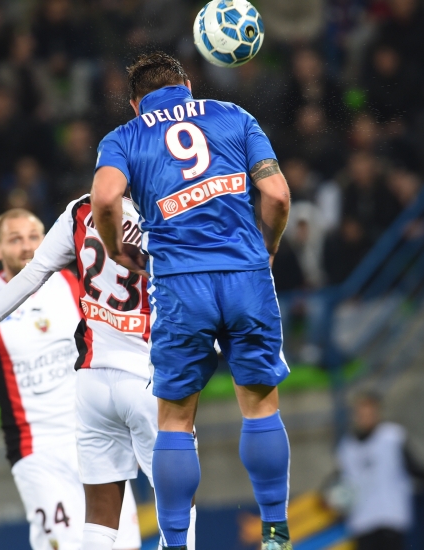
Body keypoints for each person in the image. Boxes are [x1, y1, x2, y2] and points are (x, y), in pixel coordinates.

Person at [90, 52, 292, 550]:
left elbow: (106, 197)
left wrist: (116, 247)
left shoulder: (125, 137)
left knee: (176, 420)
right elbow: (278, 195)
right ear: (186, 83)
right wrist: (266, 247)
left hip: (181, 286)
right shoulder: (234, 116)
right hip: (246, 276)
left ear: (137, 104)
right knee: (261, 406)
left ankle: (176, 545)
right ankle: (276, 533)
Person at [0, 196, 197, 550]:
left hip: (92, 385)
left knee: (101, 518)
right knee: (177, 495)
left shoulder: (80, 210)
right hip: (144, 375)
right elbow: (194, 286)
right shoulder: (165, 210)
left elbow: (33, 271)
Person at [0, 209, 141, 550]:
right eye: (15, 239)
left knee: (124, 545)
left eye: (34, 237)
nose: (27, 247)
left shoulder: (73, 283)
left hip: (95, 436)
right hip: (36, 452)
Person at [335, 391, 424, 550]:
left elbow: (413, 465)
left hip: (390, 515)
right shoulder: (347, 447)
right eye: (361, 413)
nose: (365, 417)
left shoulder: (392, 436)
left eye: (369, 412)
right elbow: (343, 482)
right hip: (362, 520)